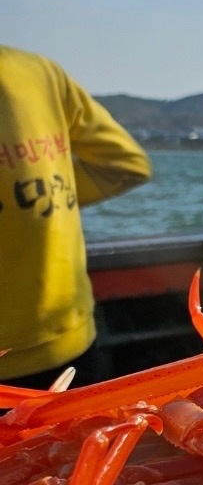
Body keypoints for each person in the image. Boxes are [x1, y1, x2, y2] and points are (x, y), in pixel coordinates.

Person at [0, 45, 151, 389]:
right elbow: (127, 166)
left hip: (60, 346)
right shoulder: (41, 73)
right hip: (69, 342)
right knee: (88, 443)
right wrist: (41, 197)